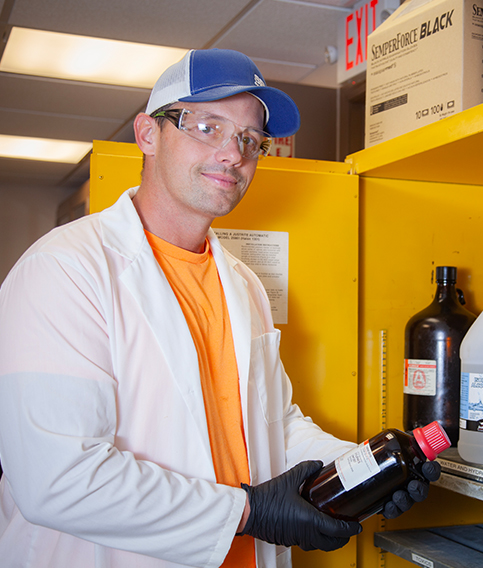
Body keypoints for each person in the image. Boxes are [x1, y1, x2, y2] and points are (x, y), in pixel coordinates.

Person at [0, 48, 440, 568]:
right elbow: (58, 480)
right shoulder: (66, 269)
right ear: (147, 133)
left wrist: (364, 470)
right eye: (208, 126)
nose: (234, 154)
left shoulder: (243, 283)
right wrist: (250, 512)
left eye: (250, 139)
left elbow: (272, 422)